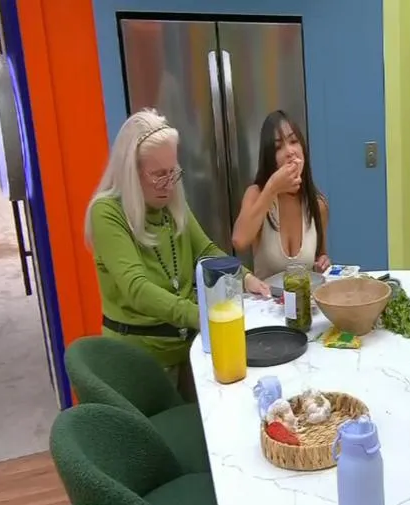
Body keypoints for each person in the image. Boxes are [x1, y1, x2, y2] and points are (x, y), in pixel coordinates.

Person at [84, 108, 270, 401]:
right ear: (130, 173)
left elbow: (205, 251)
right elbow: (136, 288)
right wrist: (201, 316)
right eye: (158, 175)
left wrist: (244, 278)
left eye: (173, 172)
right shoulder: (107, 213)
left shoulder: (172, 204)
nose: (169, 184)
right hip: (139, 363)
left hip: (188, 351)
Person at [232, 110, 332, 277]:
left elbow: (320, 256)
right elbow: (239, 241)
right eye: (278, 147)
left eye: (294, 141)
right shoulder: (257, 194)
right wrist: (272, 188)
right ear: (269, 158)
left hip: (305, 293)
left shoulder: (318, 205)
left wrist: (322, 262)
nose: (290, 151)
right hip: (265, 293)